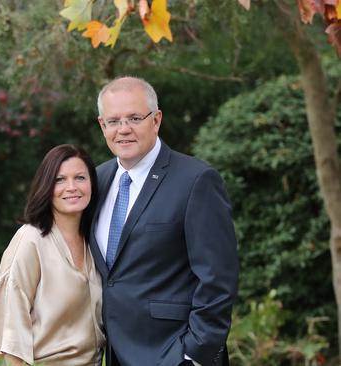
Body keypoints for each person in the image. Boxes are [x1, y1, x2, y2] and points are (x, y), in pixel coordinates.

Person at [89, 76, 239, 366]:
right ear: (101, 126)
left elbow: (218, 277)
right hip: (113, 354)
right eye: (113, 121)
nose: (123, 130)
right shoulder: (96, 181)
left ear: (156, 120)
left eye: (134, 118)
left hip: (173, 354)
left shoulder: (196, 180)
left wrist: (194, 354)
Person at [0, 144, 106, 365]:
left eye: (80, 177)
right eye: (60, 180)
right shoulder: (30, 241)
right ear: (46, 186)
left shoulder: (95, 240)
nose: (71, 187)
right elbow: (13, 334)